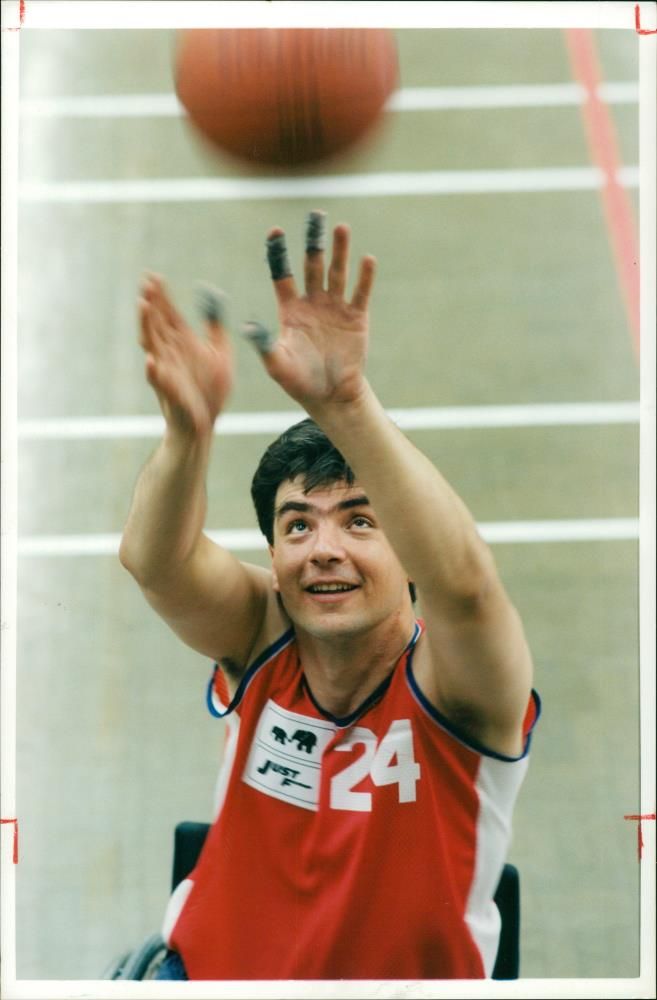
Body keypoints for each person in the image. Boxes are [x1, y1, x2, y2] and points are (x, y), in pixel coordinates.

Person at [119, 211, 539, 981]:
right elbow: (158, 562)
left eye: (358, 521)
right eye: (297, 525)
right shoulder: (261, 640)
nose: (325, 549)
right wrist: (187, 432)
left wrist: (344, 402)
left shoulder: (460, 690)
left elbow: (469, 589)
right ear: (274, 559)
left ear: (406, 550)